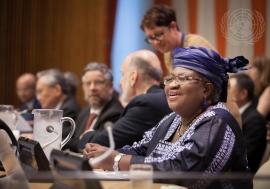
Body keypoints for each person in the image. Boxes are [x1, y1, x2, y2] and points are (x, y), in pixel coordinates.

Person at [83, 46, 252, 188]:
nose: (172, 84)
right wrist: (105, 154)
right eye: (170, 78)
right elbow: (141, 149)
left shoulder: (218, 121)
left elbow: (183, 170)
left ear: (206, 89)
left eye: (183, 78)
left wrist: (116, 160)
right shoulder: (172, 119)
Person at [140, 4, 242, 128]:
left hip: (221, 116)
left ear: (173, 26)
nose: (155, 41)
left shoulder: (196, 44)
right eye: (150, 38)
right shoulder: (168, 54)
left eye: (159, 34)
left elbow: (218, 84)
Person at [78, 50, 172, 151]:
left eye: (123, 75)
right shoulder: (160, 98)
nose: (121, 82)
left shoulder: (146, 103)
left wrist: (87, 135)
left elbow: (103, 142)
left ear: (133, 77)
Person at [63, 63, 124, 152]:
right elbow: (69, 138)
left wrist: (80, 140)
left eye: (98, 83)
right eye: (88, 83)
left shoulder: (115, 113)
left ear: (110, 87)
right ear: (83, 88)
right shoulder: (84, 112)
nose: (92, 88)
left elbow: (91, 146)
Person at [229, 74, 267, 173]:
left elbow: (244, 156)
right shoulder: (234, 114)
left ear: (243, 94)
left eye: (229, 89)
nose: (224, 93)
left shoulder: (255, 120)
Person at [36, 68, 81, 139]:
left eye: (40, 91)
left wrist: (35, 137)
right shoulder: (56, 108)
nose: (38, 98)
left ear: (57, 90)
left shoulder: (69, 109)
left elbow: (58, 137)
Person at [248, 55, 270, 122]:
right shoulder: (256, 89)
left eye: (252, 67)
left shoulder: (268, 90)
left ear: (262, 70)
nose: (249, 71)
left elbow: (257, 118)